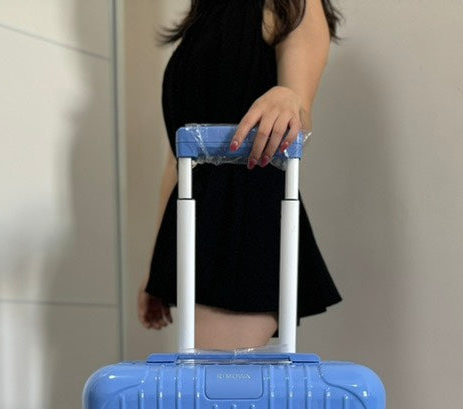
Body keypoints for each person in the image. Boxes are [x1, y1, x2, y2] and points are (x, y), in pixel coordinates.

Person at [139, 0, 343, 351]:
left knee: (214, 382)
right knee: (206, 381)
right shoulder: (204, 17)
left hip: (244, 221)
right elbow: (177, 159)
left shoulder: (290, 4)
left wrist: (287, 98)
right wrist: (156, 267)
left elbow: (298, 109)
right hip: (195, 223)